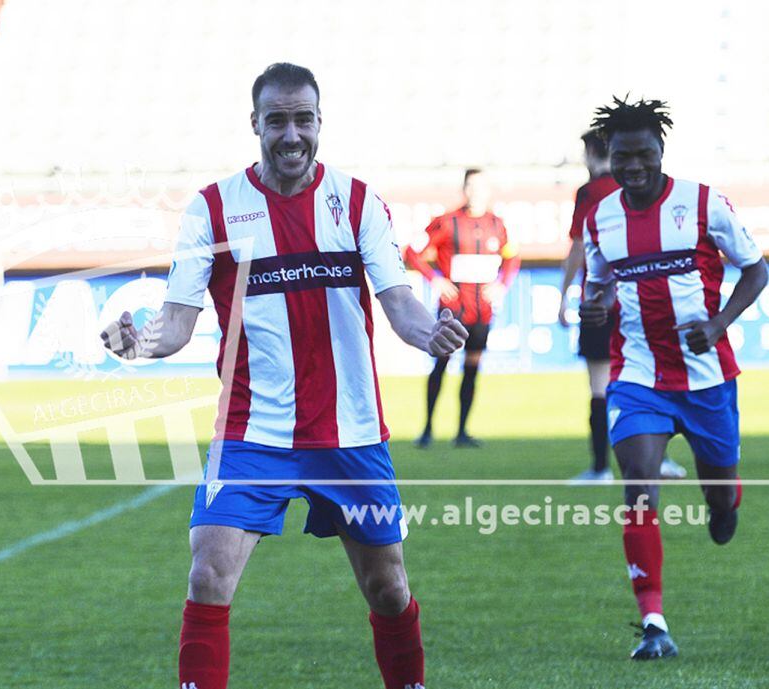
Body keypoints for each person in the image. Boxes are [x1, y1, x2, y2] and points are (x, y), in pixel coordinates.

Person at [101, 62, 466, 689]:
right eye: (277, 121)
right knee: (207, 575)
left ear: (320, 123)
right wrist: (137, 342)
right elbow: (178, 325)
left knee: (387, 587)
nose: (291, 135)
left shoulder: (356, 203)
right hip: (251, 430)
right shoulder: (212, 211)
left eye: (303, 120)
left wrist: (429, 333)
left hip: (348, 434)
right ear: (255, 125)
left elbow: (399, 303)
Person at [579, 96, 768, 660]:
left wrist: (718, 323)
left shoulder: (704, 203)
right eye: (621, 157)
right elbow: (600, 285)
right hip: (637, 373)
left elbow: (756, 270)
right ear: (607, 156)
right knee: (638, 483)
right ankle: (654, 622)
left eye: (644, 154)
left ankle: (723, 503)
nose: (633, 166)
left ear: (661, 151)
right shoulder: (600, 217)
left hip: (707, 377)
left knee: (721, 495)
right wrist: (595, 306)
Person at [560, 130, 687, 483]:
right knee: (651, 379)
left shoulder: (589, 193)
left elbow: (578, 248)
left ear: (591, 154)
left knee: (600, 385)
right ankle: (660, 460)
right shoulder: (639, 189)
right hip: (640, 297)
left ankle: (600, 468)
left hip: (599, 301)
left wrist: (563, 295)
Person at [404, 169, 520, 448]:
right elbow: (412, 252)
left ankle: (462, 432)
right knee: (441, 364)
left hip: (482, 311)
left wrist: (502, 284)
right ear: (464, 189)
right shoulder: (446, 222)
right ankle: (428, 429)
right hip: (452, 309)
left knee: (472, 368)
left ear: (488, 190)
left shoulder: (498, 224)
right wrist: (436, 279)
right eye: (471, 186)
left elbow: (512, 257)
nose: (476, 192)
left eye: (481, 186)